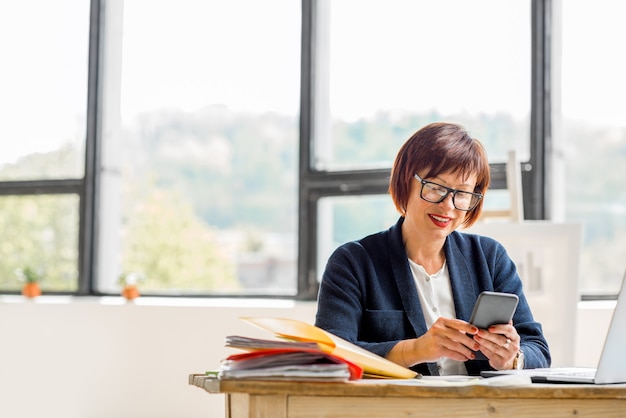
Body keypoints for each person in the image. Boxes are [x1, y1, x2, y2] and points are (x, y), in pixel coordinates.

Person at [314, 122, 550, 376]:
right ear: (406, 182)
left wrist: (512, 358)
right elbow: (331, 355)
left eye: (462, 194)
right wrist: (416, 349)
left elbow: (538, 349)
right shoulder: (353, 262)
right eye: (436, 188)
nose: (448, 206)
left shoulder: (490, 257)